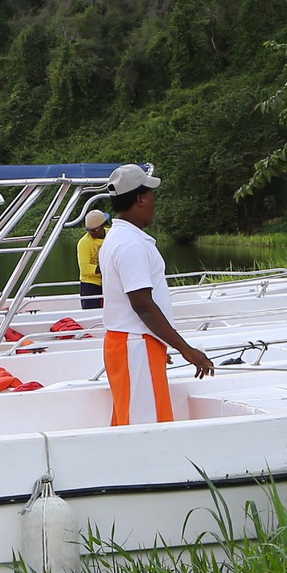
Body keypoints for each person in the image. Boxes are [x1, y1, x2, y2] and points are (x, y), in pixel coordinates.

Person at [97, 163, 213, 427]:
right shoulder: (131, 244)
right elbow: (142, 305)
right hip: (135, 344)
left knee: (131, 419)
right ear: (139, 199)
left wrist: (158, 343)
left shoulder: (117, 238)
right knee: (146, 427)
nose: (154, 204)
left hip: (131, 342)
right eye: (152, 197)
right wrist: (186, 349)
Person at [75, 208, 109, 310]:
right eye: (88, 229)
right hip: (90, 284)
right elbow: (84, 268)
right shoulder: (84, 242)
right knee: (91, 312)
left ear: (102, 225)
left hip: (109, 282)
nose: (90, 232)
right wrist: (105, 267)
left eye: (93, 230)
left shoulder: (112, 235)